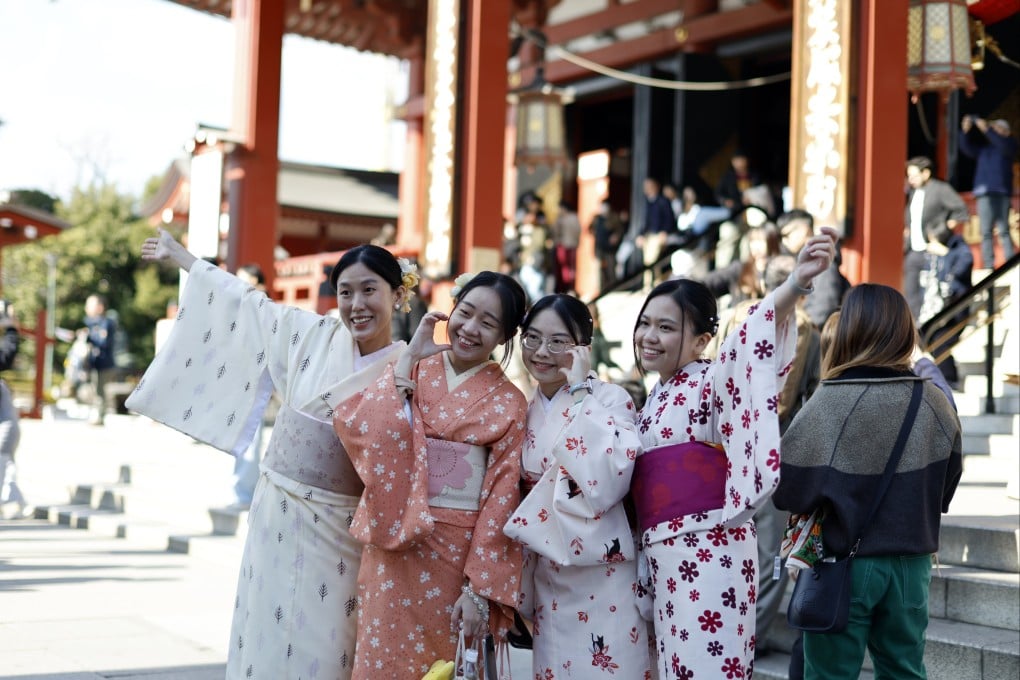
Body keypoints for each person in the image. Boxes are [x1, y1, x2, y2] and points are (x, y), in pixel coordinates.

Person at [129, 232, 417, 680]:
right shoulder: (312, 334)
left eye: (369, 290)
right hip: (278, 512)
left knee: (329, 638)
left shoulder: (411, 369)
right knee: (267, 625)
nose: (356, 304)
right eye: (345, 292)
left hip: (344, 526)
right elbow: (248, 304)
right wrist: (184, 258)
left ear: (398, 295)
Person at [629, 227, 837, 679]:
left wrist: (795, 284)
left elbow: (749, 340)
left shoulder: (711, 380)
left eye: (666, 327)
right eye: (645, 323)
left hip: (710, 552)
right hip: (664, 555)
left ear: (703, 342)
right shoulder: (654, 399)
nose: (649, 335)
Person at [331, 271, 529, 678]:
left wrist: (478, 592)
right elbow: (362, 429)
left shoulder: (510, 403)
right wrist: (408, 358)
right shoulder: (414, 369)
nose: (470, 329)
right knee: (380, 660)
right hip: (393, 542)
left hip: (454, 557)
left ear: (505, 336)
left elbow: (501, 498)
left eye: (488, 323)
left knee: (438, 665)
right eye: (465, 313)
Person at [773, 283, 962, 680]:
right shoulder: (933, 400)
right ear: (904, 331)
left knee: (830, 673)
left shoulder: (830, 399)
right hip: (911, 563)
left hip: (844, 562)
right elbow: (949, 478)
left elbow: (788, 487)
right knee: (904, 671)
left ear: (850, 329)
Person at [503, 294, 652, 678]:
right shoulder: (525, 408)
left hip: (605, 571)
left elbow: (608, 480)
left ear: (583, 346)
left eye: (558, 342)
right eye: (532, 338)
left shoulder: (610, 398)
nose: (542, 352)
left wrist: (583, 392)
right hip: (550, 571)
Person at [903, 156, 969, 320]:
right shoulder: (913, 193)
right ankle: (913, 329)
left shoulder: (940, 189)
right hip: (913, 250)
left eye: (914, 175)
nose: (911, 180)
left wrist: (942, 230)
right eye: (909, 176)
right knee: (910, 292)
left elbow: (961, 211)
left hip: (933, 248)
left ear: (926, 173)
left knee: (931, 294)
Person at [918, 222, 973, 388]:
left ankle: (949, 379)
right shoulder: (932, 255)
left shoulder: (960, 251)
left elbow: (957, 274)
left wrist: (945, 255)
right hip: (934, 308)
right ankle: (949, 376)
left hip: (954, 308)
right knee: (929, 339)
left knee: (941, 341)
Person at [958, 116, 1017, 268]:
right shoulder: (985, 149)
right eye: (994, 128)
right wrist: (965, 132)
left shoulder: (1009, 144)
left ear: (1006, 132)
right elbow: (967, 150)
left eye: (999, 128)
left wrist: (987, 129)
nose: (994, 131)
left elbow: (1001, 143)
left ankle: (1010, 262)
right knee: (985, 231)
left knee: (1004, 229)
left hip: (1002, 192)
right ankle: (989, 265)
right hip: (984, 193)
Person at [778, 209, 851, 327]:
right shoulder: (811, 259)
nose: (783, 241)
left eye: (786, 235)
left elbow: (822, 308)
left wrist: (801, 331)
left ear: (804, 229)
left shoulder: (821, 261)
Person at [82, 294, 117, 426]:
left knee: (100, 391)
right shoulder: (92, 323)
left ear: (100, 307)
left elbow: (103, 342)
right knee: (96, 390)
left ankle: (99, 416)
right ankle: (96, 414)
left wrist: (89, 337)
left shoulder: (106, 323)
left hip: (104, 363)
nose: (87, 308)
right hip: (95, 363)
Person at [636, 178, 676, 287]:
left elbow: (669, 219)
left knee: (652, 260)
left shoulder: (663, 201)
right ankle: (648, 284)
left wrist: (664, 232)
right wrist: (640, 235)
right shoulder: (647, 203)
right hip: (648, 235)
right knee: (649, 261)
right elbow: (644, 222)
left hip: (657, 235)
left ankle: (655, 284)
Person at [0, 379, 28, 520]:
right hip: (9, 431)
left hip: (6, 433)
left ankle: (17, 503)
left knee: (2, 469)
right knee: (8, 469)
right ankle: (20, 503)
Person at [590, 199, 624, 291]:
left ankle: (614, 288)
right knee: (598, 271)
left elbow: (620, 230)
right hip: (599, 248)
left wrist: (616, 237)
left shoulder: (614, 217)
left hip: (610, 249)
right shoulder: (596, 218)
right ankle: (600, 289)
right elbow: (589, 228)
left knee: (611, 269)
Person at [550, 201, 582, 294]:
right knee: (560, 267)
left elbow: (576, 232)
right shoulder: (559, 219)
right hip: (560, 245)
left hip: (569, 245)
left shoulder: (573, 218)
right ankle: (560, 287)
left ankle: (569, 287)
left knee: (568, 268)